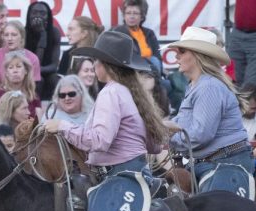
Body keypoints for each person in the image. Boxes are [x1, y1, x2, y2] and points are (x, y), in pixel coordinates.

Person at [43, 31, 168, 181]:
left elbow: (99, 141)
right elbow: (154, 146)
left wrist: (62, 126)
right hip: (138, 172)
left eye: (96, 60)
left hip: (119, 176)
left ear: (105, 64)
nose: (94, 64)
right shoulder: (133, 92)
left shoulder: (111, 92)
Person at [165, 27, 255, 179]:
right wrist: (164, 128)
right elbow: (184, 124)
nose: (176, 56)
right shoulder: (199, 85)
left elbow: (200, 135)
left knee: (213, 202)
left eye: (182, 51)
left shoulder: (208, 86)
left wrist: (167, 137)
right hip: (220, 161)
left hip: (225, 163)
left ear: (197, 56)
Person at [0, 21, 42, 93]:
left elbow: (32, 89)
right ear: (2, 37)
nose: (9, 38)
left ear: (22, 37)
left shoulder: (33, 59)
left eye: (14, 35)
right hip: (2, 98)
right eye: (6, 35)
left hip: (25, 97)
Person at [112, 0, 162, 74]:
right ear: (124, 16)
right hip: (130, 70)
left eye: (135, 13)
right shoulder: (118, 31)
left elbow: (157, 55)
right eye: (128, 13)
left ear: (142, 16)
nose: (131, 16)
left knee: (155, 61)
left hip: (151, 69)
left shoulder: (149, 33)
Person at [24, 1, 60, 100]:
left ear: (48, 17)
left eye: (42, 13)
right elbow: (34, 63)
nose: (38, 16)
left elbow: (54, 66)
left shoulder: (54, 32)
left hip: (46, 71)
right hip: (26, 72)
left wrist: (43, 34)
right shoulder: (22, 33)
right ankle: (35, 108)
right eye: (34, 13)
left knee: (55, 79)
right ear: (29, 15)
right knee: (39, 80)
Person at [0, 51, 41, 119]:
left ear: (26, 71)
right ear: (6, 73)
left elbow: (38, 123)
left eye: (18, 66)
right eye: (11, 67)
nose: (15, 71)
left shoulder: (33, 96)